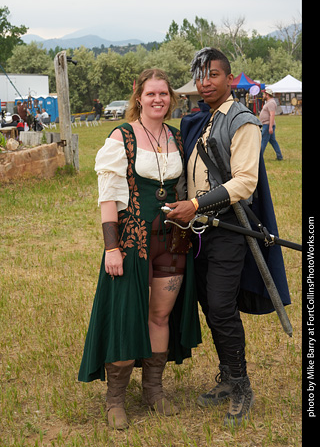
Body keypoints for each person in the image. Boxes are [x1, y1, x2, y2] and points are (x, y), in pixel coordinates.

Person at [166, 47, 290, 426]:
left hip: (229, 229)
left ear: (230, 79)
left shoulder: (243, 121)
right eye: (200, 76)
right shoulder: (198, 120)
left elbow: (245, 182)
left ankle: (241, 386)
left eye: (213, 75)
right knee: (211, 305)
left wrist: (197, 204)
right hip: (199, 232)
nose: (205, 82)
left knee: (220, 306)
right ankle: (228, 376)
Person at [78, 68, 201, 430]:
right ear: (139, 98)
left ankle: (154, 389)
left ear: (171, 98)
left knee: (159, 316)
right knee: (125, 312)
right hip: (132, 241)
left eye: (163, 94)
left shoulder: (177, 137)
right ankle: (115, 397)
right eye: (151, 94)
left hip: (172, 242)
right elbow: (108, 197)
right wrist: (110, 248)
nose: (158, 100)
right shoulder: (123, 136)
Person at [260, 88, 283, 160]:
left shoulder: (271, 103)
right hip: (267, 124)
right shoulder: (269, 102)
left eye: (264, 94)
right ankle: (279, 156)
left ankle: (259, 158)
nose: (263, 95)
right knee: (273, 141)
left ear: (267, 95)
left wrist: (270, 127)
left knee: (263, 141)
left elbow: (272, 115)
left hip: (267, 125)